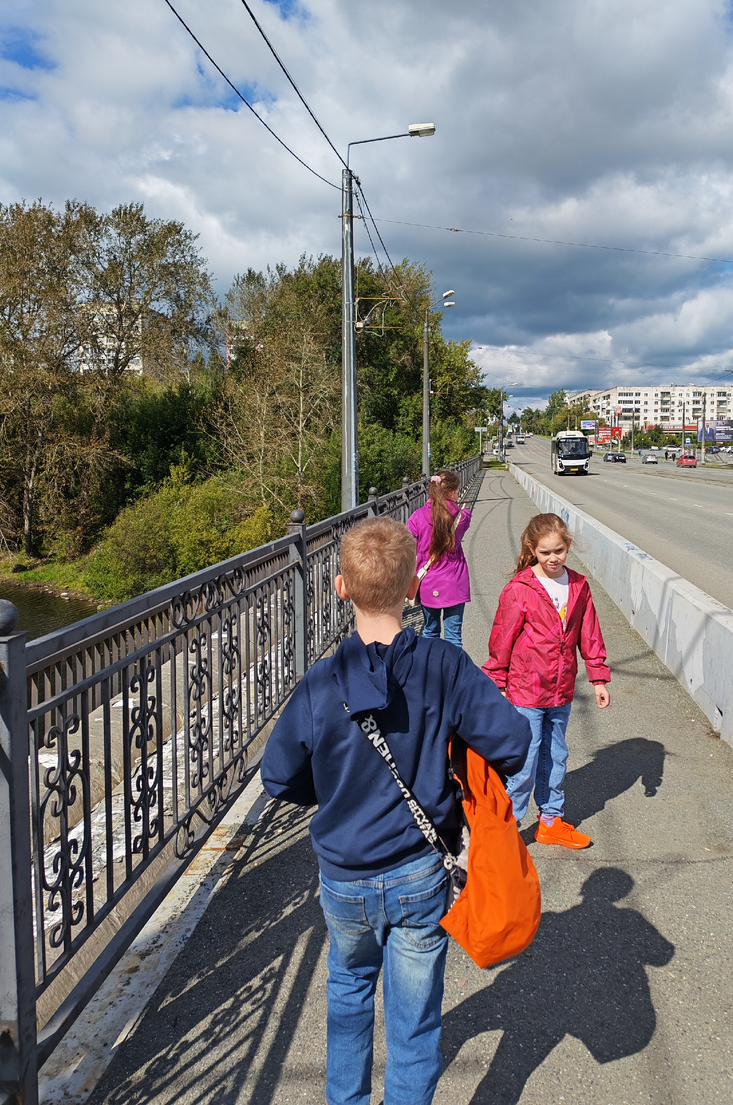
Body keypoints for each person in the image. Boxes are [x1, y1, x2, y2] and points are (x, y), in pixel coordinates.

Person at [261, 516, 529, 1105]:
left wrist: (329, 791)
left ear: (340, 588)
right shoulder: (444, 666)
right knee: (414, 1023)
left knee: (349, 998)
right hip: (417, 872)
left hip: (344, 878)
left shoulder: (321, 682)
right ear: (415, 588)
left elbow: (277, 776)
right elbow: (511, 742)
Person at [483, 512, 611, 850]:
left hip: (561, 688)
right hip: (525, 689)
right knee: (523, 762)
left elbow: (589, 633)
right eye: (545, 553)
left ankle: (551, 821)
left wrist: (598, 677)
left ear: (568, 546)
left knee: (556, 755)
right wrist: (496, 679)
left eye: (559, 551)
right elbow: (502, 639)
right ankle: (504, 830)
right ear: (532, 549)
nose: (553, 559)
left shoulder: (579, 586)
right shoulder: (520, 589)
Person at [406, 468, 471, 646]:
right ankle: (453, 673)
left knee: (430, 632)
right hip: (455, 583)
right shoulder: (462, 516)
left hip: (428, 583)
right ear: (451, 492)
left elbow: (407, 545)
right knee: (453, 637)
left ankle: (431, 672)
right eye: (457, 491)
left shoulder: (417, 517)